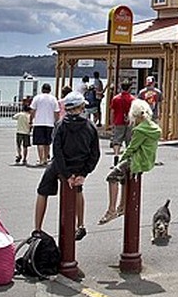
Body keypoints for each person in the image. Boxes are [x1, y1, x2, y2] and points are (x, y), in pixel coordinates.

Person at [33, 92, 100, 241]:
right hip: (80, 165)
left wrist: (66, 173)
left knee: (42, 190)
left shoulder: (61, 125)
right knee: (78, 190)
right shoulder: (90, 126)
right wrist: (83, 173)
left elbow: (57, 151)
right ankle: (80, 224)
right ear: (82, 107)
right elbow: (95, 153)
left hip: (60, 166)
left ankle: (37, 228)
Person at [98, 98, 161, 224]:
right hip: (147, 160)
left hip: (136, 160)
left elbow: (132, 148)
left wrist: (120, 160)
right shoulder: (154, 127)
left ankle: (111, 210)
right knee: (123, 178)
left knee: (112, 177)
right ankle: (122, 205)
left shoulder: (140, 130)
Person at [29, 84, 60, 166]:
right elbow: (56, 112)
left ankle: (40, 159)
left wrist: (31, 120)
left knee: (40, 143)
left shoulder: (37, 98)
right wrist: (57, 122)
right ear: (50, 90)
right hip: (50, 123)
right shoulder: (53, 99)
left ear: (42, 89)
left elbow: (32, 110)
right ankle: (46, 159)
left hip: (38, 122)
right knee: (47, 142)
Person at [110, 83, 135, 161]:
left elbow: (112, 111)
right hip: (129, 122)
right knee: (129, 141)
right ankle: (127, 158)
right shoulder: (133, 99)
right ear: (129, 88)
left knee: (117, 140)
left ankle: (116, 155)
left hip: (118, 121)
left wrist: (112, 122)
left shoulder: (116, 98)